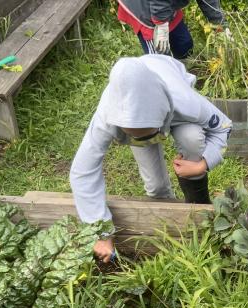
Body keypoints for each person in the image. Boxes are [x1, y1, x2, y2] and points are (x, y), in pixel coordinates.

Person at [70, 55, 232, 262]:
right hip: (143, 119)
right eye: (137, 136)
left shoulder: (186, 102)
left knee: (191, 137)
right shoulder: (107, 116)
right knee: (155, 186)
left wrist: (202, 165)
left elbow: (224, 127)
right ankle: (167, 211)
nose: (151, 141)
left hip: (172, 96)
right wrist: (101, 233)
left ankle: (198, 201)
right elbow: (83, 171)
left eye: (150, 135)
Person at [117, 0, 227, 58]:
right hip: (144, 7)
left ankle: (181, 73)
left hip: (166, 5)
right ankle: (165, 89)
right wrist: (161, 24)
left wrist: (220, 26)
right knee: (160, 60)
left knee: (184, 46)